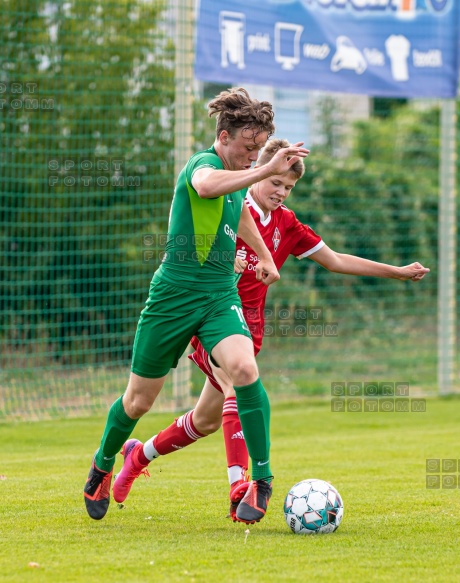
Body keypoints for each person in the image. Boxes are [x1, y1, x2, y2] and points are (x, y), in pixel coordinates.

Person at [111, 139, 430, 522]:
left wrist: (396, 271)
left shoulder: (287, 224)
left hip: (249, 330)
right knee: (235, 384)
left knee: (206, 421)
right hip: (210, 317)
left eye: (288, 188)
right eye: (275, 182)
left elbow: (335, 260)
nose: (280, 192)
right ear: (258, 170)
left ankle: (137, 456)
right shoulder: (230, 204)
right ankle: (240, 487)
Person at [83, 88, 310, 523]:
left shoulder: (237, 176)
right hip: (173, 296)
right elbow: (209, 188)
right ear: (223, 137)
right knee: (138, 402)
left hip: (218, 295)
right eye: (247, 149)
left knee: (243, 370)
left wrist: (263, 255)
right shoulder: (204, 166)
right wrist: (263, 168)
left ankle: (260, 480)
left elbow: (239, 212)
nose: (251, 158)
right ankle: (103, 463)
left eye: (257, 150)